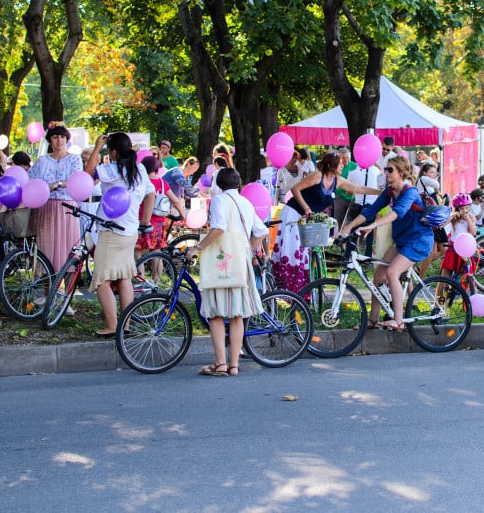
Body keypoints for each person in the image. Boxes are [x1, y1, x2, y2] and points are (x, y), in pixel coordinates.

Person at [183, 169, 268, 377]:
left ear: (218, 185)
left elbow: (219, 228)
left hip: (221, 263)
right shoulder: (246, 203)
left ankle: (220, 363)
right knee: (237, 315)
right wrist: (247, 248)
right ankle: (234, 365)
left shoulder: (219, 200)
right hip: (241, 263)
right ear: (238, 184)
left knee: (216, 314)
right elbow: (262, 231)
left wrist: (198, 248)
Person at [339, 155, 434, 332]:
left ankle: (398, 320)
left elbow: (398, 212)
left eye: (390, 170)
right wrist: (348, 228)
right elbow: (370, 210)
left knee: (392, 272)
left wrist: (373, 225)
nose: (386, 173)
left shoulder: (410, 192)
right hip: (402, 240)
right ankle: (372, 320)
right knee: (378, 275)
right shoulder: (389, 192)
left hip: (418, 241)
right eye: (385, 169)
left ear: (402, 172)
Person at [271, 151, 380, 293]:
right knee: (293, 252)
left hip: (307, 219)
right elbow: (295, 189)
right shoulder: (317, 176)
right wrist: (306, 208)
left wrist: (380, 193)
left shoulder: (337, 180)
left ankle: (300, 290)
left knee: (304, 253)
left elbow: (358, 188)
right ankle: (286, 289)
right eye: (339, 163)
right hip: (294, 213)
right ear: (330, 165)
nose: (342, 166)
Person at [84, 132, 154, 337]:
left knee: (102, 280)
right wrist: (145, 221)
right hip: (130, 231)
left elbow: (87, 173)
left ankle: (112, 326)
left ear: (113, 152)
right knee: (124, 277)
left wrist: (97, 147)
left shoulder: (110, 170)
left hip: (111, 230)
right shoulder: (139, 169)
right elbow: (151, 193)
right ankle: (127, 324)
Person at [27, 123, 83, 272]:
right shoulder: (42, 161)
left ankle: (67, 293)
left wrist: (57, 184)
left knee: (69, 249)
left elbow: (76, 180)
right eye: (55, 137)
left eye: (63, 137)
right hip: (47, 208)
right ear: (50, 140)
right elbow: (30, 180)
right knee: (46, 248)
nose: (59, 140)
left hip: (68, 209)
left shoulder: (75, 159)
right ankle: (48, 293)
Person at [135, 155, 187, 260]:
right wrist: (182, 214)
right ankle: (157, 276)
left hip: (142, 221)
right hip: (158, 222)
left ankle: (139, 276)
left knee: (138, 252)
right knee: (157, 253)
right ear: (157, 168)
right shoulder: (162, 183)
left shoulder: (140, 182)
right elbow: (175, 201)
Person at [415, 162, 446, 277]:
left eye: (435, 172)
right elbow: (436, 183)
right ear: (424, 172)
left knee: (443, 249)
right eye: (431, 172)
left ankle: (418, 269)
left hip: (435, 219)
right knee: (431, 251)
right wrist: (438, 190)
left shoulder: (428, 185)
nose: (433, 174)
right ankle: (421, 278)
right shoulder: (423, 180)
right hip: (429, 220)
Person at [439, 193, 477, 283]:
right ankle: (439, 296)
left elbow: (474, 232)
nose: (465, 210)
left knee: (470, 276)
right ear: (457, 208)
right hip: (454, 246)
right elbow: (441, 226)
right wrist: (452, 217)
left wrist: (468, 219)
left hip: (466, 248)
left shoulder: (471, 218)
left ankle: (470, 295)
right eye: (462, 208)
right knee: (445, 275)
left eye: (467, 208)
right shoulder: (454, 218)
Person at [346, 162, 380, 256]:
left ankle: (348, 255)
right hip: (371, 206)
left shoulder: (352, 173)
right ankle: (368, 256)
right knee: (369, 232)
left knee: (354, 231)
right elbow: (381, 172)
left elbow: (348, 191)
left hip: (358, 204)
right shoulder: (375, 170)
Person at [332, 147, 356, 228]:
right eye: (343, 158)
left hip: (352, 198)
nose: (346, 160)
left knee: (350, 220)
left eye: (347, 157)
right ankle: (338, 236)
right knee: (339, 220)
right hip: (340, 197)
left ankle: (347, 236)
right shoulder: (336, 167)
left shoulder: (354, 166)